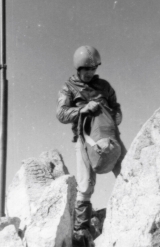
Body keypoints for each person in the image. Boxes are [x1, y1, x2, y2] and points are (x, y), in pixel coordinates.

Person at [56, 45, 126, 245]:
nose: (90, 73)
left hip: (111, 137)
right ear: (78, 69)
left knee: (127, 171)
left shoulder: (104, 86)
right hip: (84, 140)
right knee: (85, 184)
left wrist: (113, 117)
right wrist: (83, 110)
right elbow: (61, 113)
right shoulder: (68, 88)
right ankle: (81, 230)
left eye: (93, 69)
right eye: (86, 69)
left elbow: (116, 106)